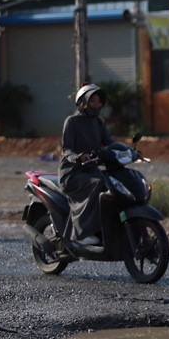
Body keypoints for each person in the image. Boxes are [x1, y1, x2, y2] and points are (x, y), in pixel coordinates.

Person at [59, 83, 112, 246]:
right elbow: (66, 149)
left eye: (99, 101)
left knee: (113, 183)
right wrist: (78, 157)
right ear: (83, 103)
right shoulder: (72, 121)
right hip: (72, 173)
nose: (97, 105)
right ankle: (82, 233)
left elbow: (109, 144)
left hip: (91, 170)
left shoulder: (99, 123)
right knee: (98, 184)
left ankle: (106, 230)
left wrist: (129, 151)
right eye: (93, 101)